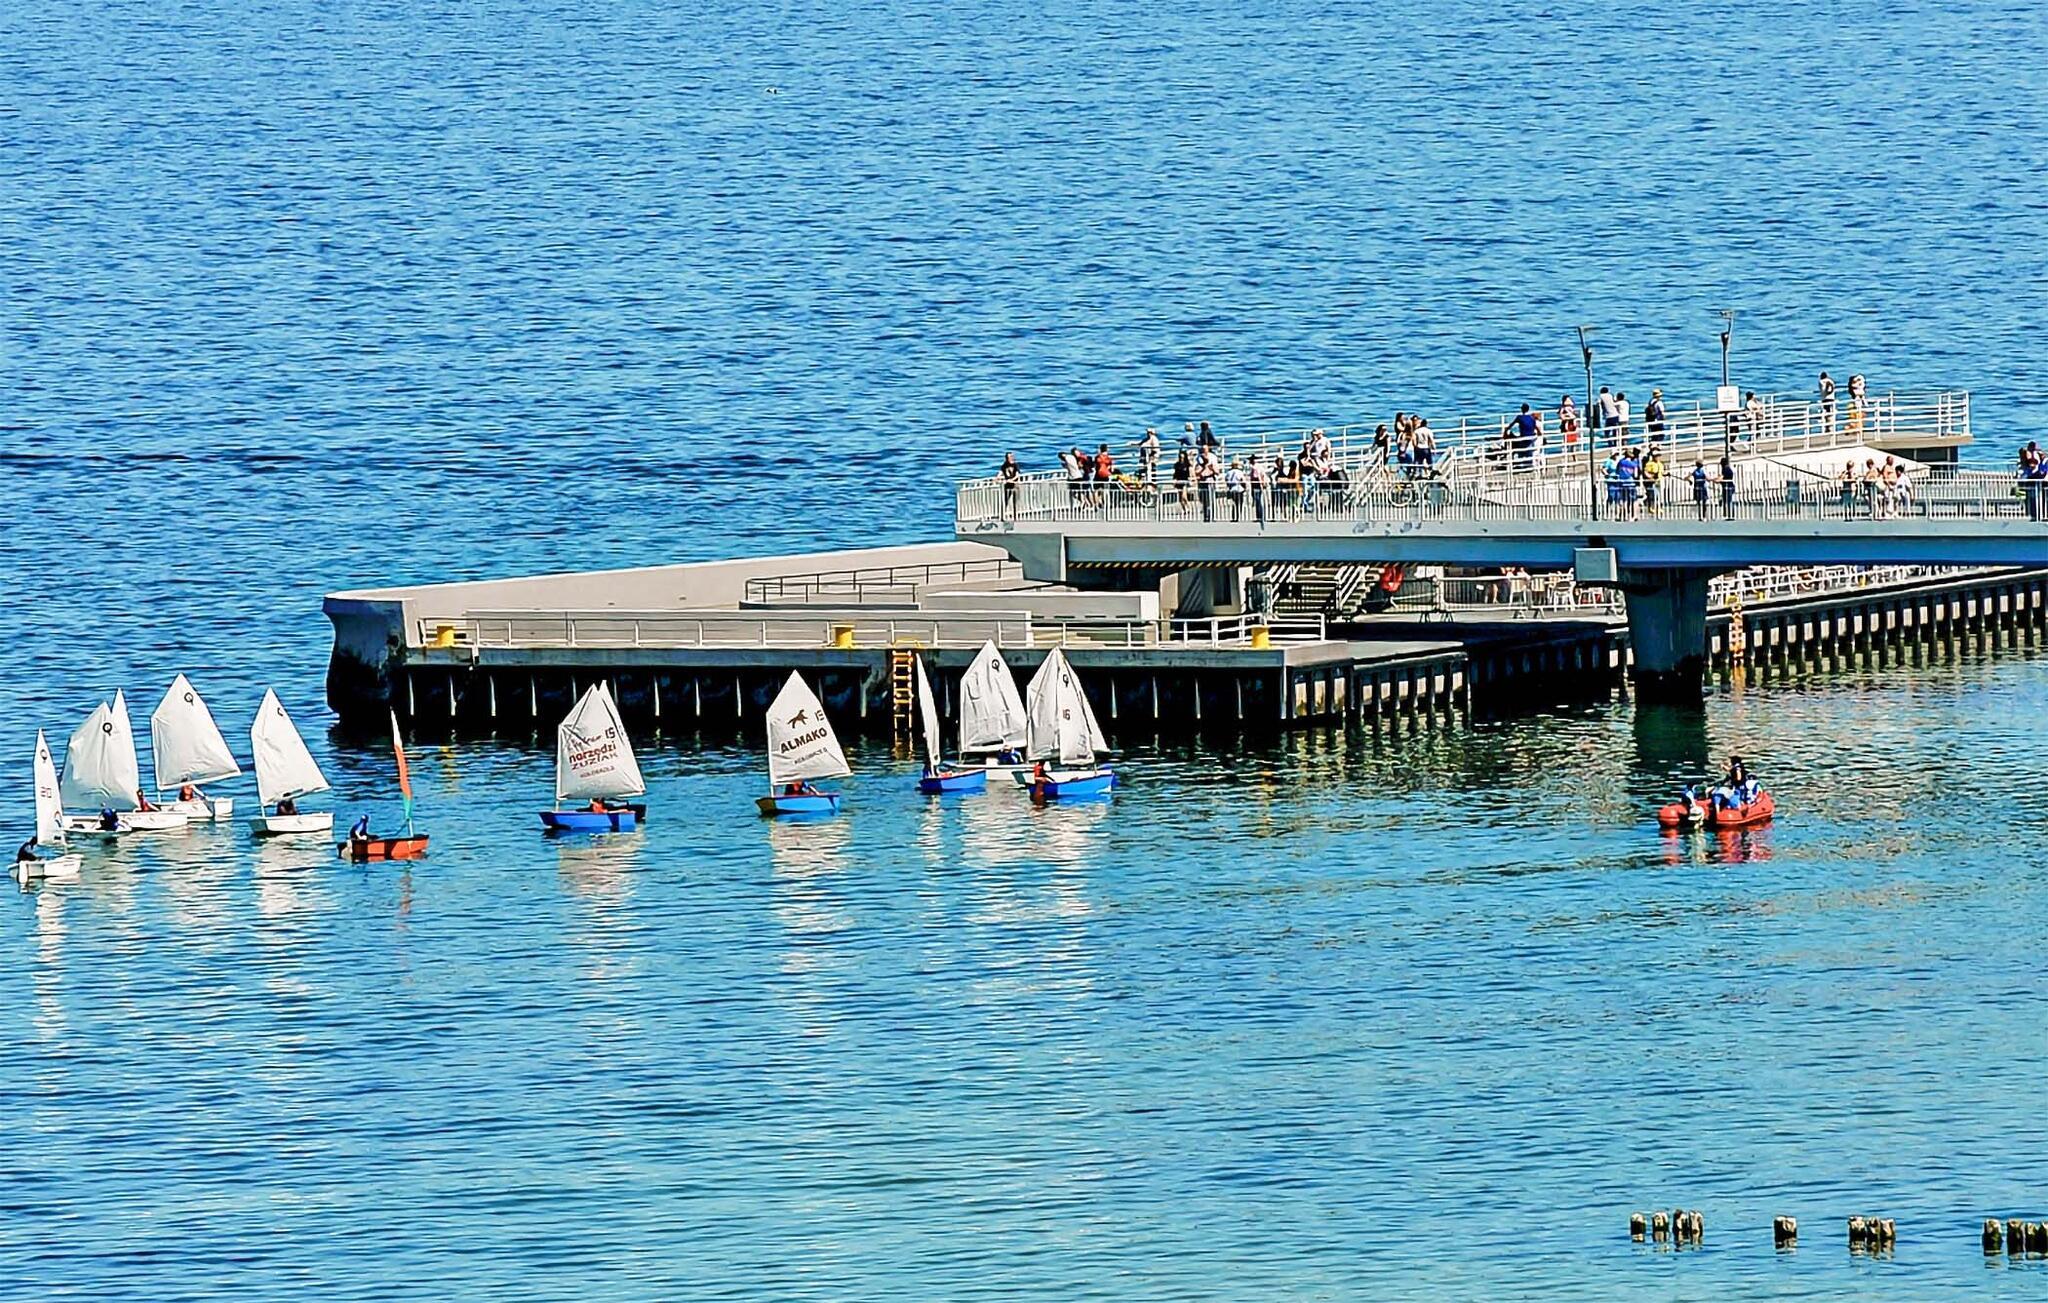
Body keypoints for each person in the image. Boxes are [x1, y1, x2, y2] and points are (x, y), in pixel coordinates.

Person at [1171, 445, 1193, 512]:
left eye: (1183, 458)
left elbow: (1190, 472)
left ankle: (1189, 507)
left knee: (1184, 496)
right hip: (1179, 481)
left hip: (1185, 481)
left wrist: (1192, 479)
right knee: (1180, 497)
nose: (1181, 459)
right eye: (1180, 457)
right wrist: (1174, 481)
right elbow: (1175, 473)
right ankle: (1184, 509)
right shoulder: (1177, 465)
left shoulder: (1187, 464)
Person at [998, 453, 1021, 520]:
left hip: (1014, 485)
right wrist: (997, 478)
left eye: (1011, 457)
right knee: (1005, 501)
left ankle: (1015, 517)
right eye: (1009, 457)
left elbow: (1017, 475)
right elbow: (1000, 473)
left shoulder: (1015, 465)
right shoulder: (1004, 466)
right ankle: (1003, 516)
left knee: (1015, 502)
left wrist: (1012, 480)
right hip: (1007, 486)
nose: (1010, 458)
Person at [1643, 447, 1664, 515]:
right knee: (1651, 495)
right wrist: (1650, 477)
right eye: (1656, 456)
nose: (1658, 457)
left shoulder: (1660, 464)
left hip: (1658, 482)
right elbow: (1646, 472)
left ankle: (1658, 508)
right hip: (1652, 482)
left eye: (1658, 456)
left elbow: (1661, 472)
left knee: (1658, 496)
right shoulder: (1650, 463)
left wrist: (1666, 474)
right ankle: (1651, 508)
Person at [1818, 370, 1837, 436]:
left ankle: (1826, 428)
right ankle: (1831, 428)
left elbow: (1821, 389)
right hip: (1832, 398)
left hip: (1825, 398)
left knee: (1825, 413)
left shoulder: (1821, 381)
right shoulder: (1831, 381)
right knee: (1831, 413)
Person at [1719, 452, 1737, 519]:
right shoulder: (1726, 468)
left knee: (1728, 501)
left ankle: (1730, 515)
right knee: (1726, 501)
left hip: (1728, 487)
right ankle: (1727, 514)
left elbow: (1721, 477)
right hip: (1727, 487)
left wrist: (1716, 480)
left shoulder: (1726, 469)